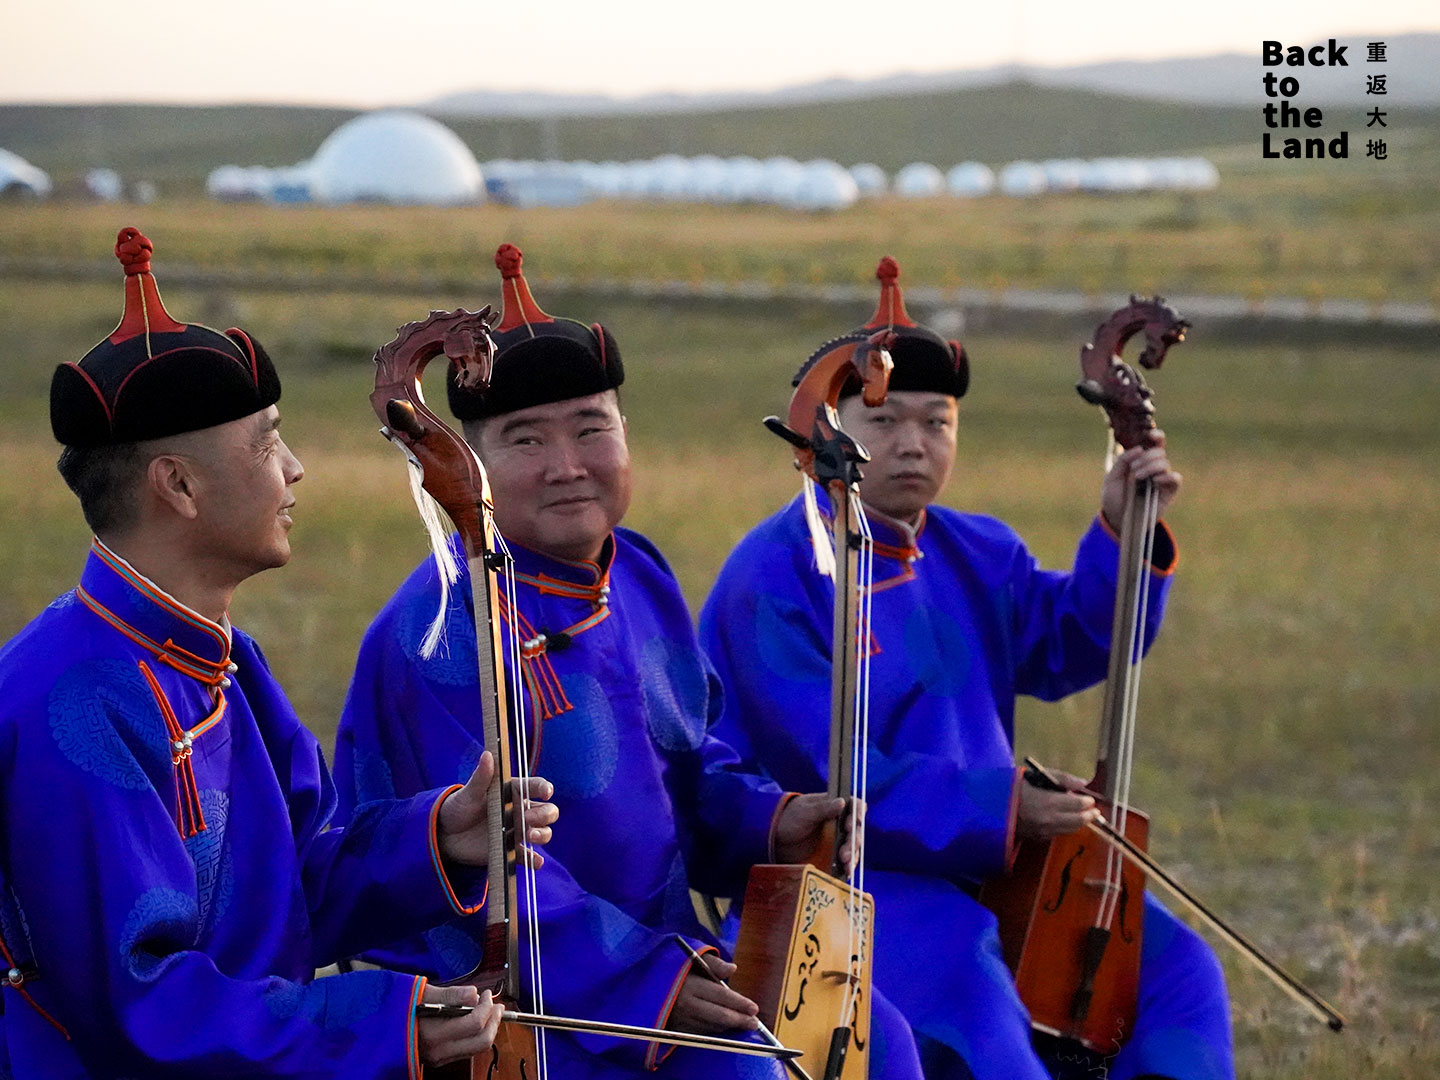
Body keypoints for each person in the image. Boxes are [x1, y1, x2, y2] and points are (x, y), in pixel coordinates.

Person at [335, 244, 924, 1078]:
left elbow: (689, 763)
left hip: (667, 953)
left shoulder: (636, 570)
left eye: (591, 428)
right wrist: (650, 983)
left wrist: (772, 819)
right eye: (526, 439)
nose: (568, 466)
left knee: (879, 1043)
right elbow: (476, 875)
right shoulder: (437, 629)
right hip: (528, 1002)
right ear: (469, 462)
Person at [0, 228, 558, 1078]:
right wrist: (373, 1026)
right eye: (266, 444)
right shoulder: (70, 701)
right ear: (178, 485)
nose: (294, 469)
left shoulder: (225, 660)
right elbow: (137, 1006)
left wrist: (441, 837)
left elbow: (301, 883)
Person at [700, 257, 1235, 1080]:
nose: (914, 444)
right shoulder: (776, 575)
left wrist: (1123, 531)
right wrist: (1007, 805)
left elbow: (1073, 642)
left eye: (938, 422)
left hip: (995, 858)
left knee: (1177, 973)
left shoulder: (978, 549)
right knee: (974, 997)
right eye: (885, 421)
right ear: (829, 428)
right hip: (849, 872)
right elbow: (828, 776)